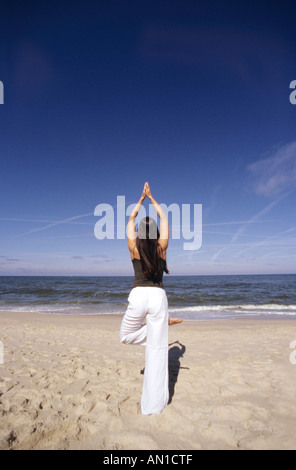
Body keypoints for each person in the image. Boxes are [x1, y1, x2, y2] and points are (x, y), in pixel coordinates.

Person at [120, 182, 182, 415]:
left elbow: (130, 218)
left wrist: (141, 199)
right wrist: (152, 198)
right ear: (155, 232)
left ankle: (160, 327)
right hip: (157, 297)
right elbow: (163, 217)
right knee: (157, 350)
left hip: (138, 295)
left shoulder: (133, 247)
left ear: (138, 231)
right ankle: (161, 326)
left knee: (125, 336)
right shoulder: (161, 248)